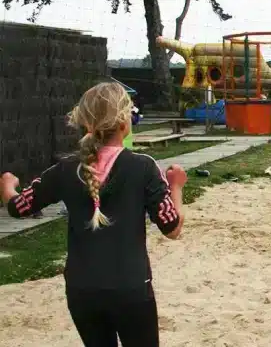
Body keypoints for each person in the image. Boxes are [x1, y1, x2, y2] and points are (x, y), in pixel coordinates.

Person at [1, 81, 186, 347]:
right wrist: (176, 186)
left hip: (81, 289)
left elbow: (18, 207)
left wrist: (8, 186)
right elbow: (173, 228)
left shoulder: (65, 170)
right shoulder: (143, 167)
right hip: (130, 288)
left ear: (86, 124)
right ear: (125, 123)